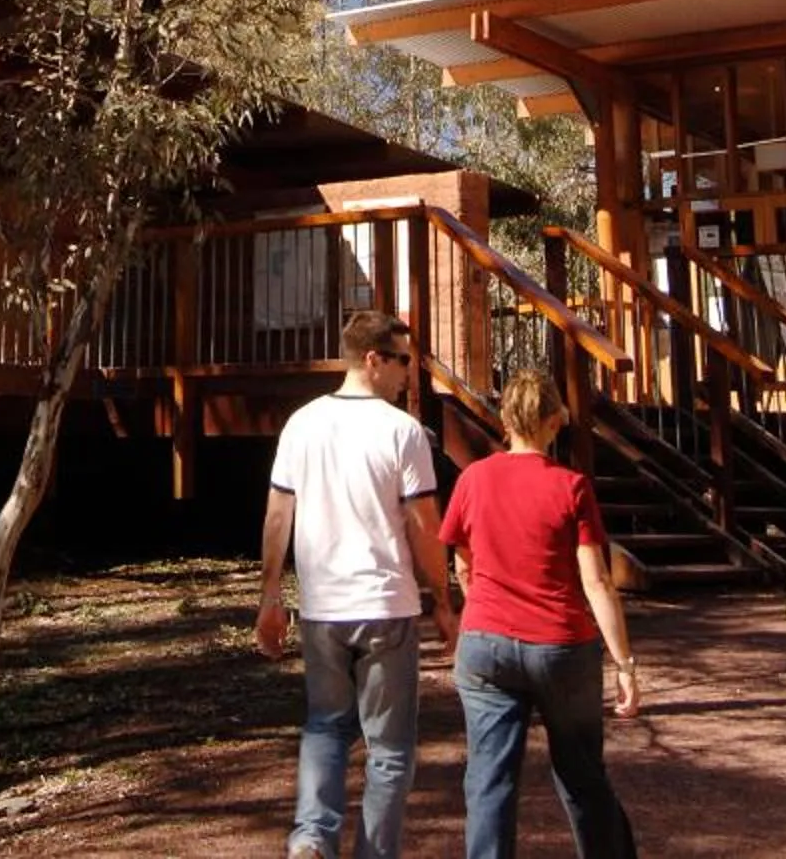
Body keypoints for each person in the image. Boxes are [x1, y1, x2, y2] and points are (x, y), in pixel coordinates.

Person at [258, 308, 459, 859]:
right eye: (401, 361)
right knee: (389, 749)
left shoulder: (302, 424)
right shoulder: (403, 431)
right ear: (372, 360)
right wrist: (443, 600)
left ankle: (311, 838)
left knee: (325, 726)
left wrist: (271, 596)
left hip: (322, 607)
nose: (407, 373)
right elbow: (423, 524)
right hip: (385, 606)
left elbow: (278, 515)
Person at [439, 368, 641, 859]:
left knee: (488, 780)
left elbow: (462, 563)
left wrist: (480, 608)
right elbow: (596, 581)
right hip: (560, 645)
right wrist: (624, 663)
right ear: (554, 421)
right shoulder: (572, 487)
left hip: (485, 643)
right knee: (582, 775)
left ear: (505, 421)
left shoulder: (473, 479)